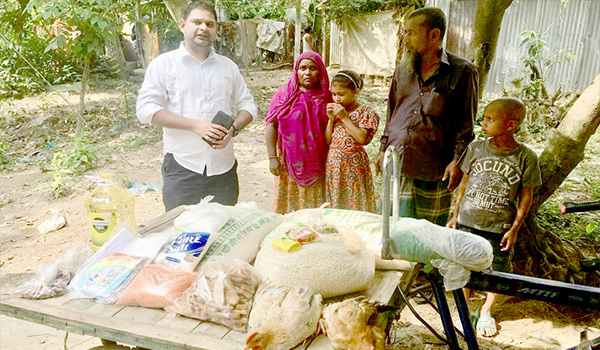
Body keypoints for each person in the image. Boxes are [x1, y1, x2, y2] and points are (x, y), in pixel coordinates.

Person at [136, 1, 257, 211]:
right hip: (183, 166)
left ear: (216, 30)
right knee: (181, 231)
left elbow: (247, 104)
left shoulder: (228, 67)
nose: (203, 28)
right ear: (183, 25)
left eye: (210, 24)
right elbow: (146, 109)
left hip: (223, 167)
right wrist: (194, 125)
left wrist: (234, 129)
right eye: (197, 22)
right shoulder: (164, 65)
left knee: (222, 231)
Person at [447, 97, 542, 337]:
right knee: (463, 265)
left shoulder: (526, 158)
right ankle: (465, 309)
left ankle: (487, 310)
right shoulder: (476, 148)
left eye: (490, 119)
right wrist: (455, 215)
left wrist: (515, 228)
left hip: (499, 227)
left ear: (511, 124)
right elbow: (463, 185)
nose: (484, 123)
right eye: (484, 118)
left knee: (497, 271)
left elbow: (526, 197)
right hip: (468, 222)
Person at [374, 7, 479, 225]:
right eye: (405, 32)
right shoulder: (402, 69)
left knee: (427, 231)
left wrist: (457, 161)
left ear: (434, 35)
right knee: (390, 227)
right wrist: (383, 147)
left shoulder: (463, 72)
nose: (406, 38)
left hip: (433, 168)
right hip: (397, 160)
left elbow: (466, 124)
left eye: (411, 33)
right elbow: (392, 112)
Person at [265, 51, 332, 214]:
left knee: (315, 213)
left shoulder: (327, 97)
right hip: (289, 163)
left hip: (318, 162)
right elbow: (271, 125)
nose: (307, 72)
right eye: (302, 68)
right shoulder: (284, 95)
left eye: (312, 68)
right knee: (289, 212)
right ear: (296, 71)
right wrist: (272, 157)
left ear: (320, 71)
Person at [325, 70, 379, 213]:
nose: (336, 98)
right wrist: (330, 120)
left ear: (355, 92)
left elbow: (362, 138)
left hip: (354, 168)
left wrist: (344, 118)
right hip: (335, 167)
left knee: (355, 201)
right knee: (337, 202)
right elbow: (328, 141)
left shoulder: (365, 112)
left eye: (341, 94)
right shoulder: (336, 113)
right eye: (334, 94)